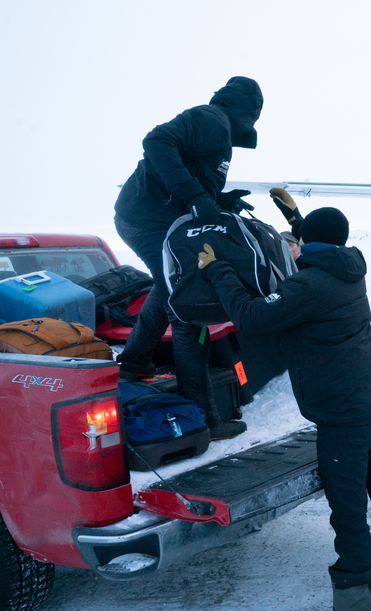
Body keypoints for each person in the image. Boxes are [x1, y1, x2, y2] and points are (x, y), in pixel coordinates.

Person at [197, 207, 371, 611]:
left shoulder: (310, 285)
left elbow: (253, 317)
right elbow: (318, 244)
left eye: (299, 240)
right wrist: (297, 218)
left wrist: (218, 270)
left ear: (309, 245)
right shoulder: (348, 269)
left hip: (342, 417)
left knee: (349, 515)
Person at [112, 76, 263, 440]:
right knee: (187, 311)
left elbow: (192, 173)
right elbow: (157, 140)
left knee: (169, 290)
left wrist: (220, 199)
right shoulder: (212, 119)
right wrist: (193, 195)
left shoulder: (219, 130)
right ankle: (206, 420)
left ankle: (133, 361)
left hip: (154, 220)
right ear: (247, 113)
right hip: (149, 222)